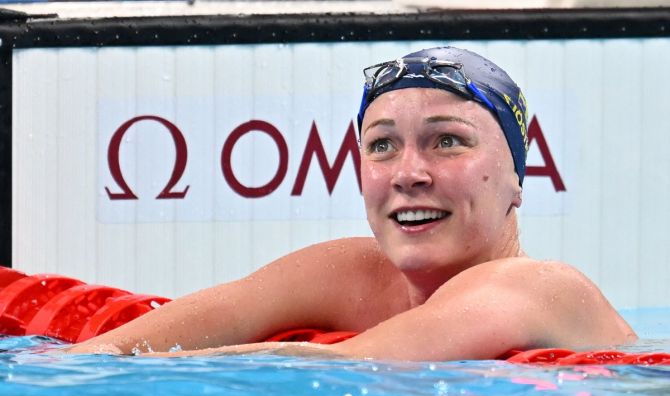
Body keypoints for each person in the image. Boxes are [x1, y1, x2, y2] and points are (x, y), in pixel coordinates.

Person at [67, 46, 636, 360]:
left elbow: (349, 368)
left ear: (518, 175)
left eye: (448, 141)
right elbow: (133, 344)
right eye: (382, 145)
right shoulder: (352, 270)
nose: (409, 174)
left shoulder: (537, 287)